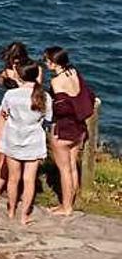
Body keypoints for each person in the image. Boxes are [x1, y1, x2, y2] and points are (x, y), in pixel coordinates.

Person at [45, 46, 94, 216]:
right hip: (79, 127)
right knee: (72, 165)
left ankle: (66, 206)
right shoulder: (73, 72)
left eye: (47, 61)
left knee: (64, 169)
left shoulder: (56, 82)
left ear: (53, 63)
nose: (45, 64)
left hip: (64, 128)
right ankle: (72, 198)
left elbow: (61, 108)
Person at [0, 62, 51, 225]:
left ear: (20, 76)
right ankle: (24, 215)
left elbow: (4, 113)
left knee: (13, 178)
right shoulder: (44, 96)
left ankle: (11, 210)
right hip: (34, 140)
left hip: (13, 138)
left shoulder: (11, 95)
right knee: (29, 179)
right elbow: (48, 119)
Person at [0, 42, 32, 204]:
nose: (13, 64)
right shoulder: (7, 71)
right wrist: (6, 78)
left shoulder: (31, 70)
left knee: (11, 155)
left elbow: (35, 88)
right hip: (7, 110)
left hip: (22, 115)